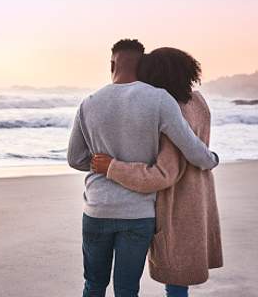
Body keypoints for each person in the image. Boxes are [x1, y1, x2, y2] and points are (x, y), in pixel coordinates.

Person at [67, 39, 219, 297]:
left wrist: (101, 165)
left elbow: (75, 159)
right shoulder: (165, 100)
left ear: (112, 63)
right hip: (139, 212)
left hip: (98, 208)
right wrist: (211, 158)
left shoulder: (89, 102)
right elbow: (191, 148)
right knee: (127, 289)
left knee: (93, 284)